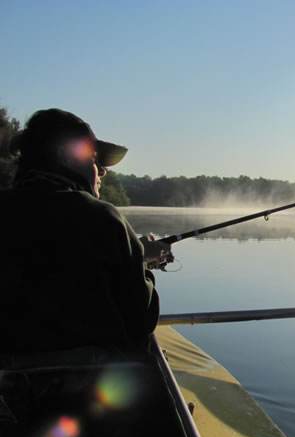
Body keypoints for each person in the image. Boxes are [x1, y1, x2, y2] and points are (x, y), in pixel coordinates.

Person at [0, 108, 171, 354]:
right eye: (93, 159)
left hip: (10, 384)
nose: (102, 171)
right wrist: (139, 264)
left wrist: (136, 254)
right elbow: (140, 320)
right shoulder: (103, 218)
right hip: (85, 381)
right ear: (64, 156)